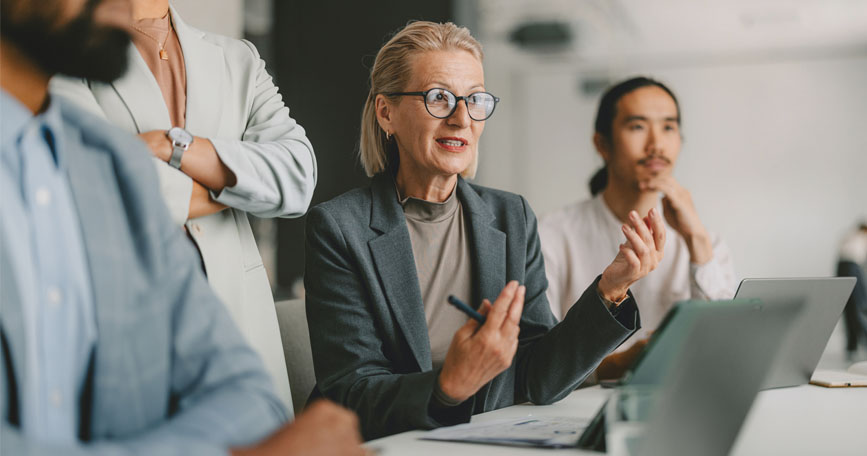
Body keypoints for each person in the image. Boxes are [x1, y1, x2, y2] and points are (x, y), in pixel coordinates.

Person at [0, 0, 362, 454]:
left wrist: (176, 148)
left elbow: (253, 400)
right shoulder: (104, 157)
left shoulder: (97, 156)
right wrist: (238, 185)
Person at [304, 21, 666, 441]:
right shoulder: (339, 227)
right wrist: (448, 387)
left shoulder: (511, 216)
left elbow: (539, 376)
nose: (462, 119)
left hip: (483, 437)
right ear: (387, 113)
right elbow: (351, 392)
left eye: (475, 100)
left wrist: (611, 289)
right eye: (439, 98)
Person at [50, 0, 318, 410]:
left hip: (240, 327)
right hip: (136, 330)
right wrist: (239, 185)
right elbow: (101, 182)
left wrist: (173, 146)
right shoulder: (64, 58)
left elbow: (298, 177)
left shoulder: (237, 58)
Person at [538, 77, 737, 379]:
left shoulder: (706, 242)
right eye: (638, 127)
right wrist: (620, 363)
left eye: (669, 127)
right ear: (602, 144)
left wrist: (696, 239)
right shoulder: (551, 235)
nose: (656, 144)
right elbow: (539, 362)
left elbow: (725, 348)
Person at [837, 222, 867, 359]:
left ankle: (852, 344)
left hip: (841, 268)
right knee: (859, 308)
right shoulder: (862, 237)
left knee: (849, 308)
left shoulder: (849, 236)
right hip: (852, 267)